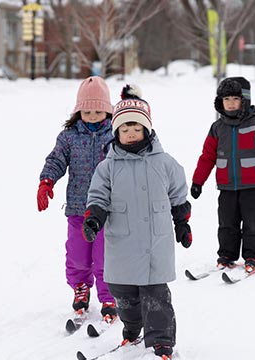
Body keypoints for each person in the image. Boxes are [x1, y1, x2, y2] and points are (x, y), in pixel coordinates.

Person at [82, 84, 191, 359]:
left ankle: (161, 344)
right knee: (125, 298)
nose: (130, 133)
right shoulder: (107, 167)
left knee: (156, 299)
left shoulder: (164, 163)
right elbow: (98, 197)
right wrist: (94, 219)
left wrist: (183, 223)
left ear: (147, 130)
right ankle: (131, 331)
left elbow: (179, 194)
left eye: (136, 128)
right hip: (122, 245)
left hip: (155, 245)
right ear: (116, 133)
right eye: (124, 129)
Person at [37, 76, 117, 322]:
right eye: (87, 111)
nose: (92, 116)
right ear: (78, 111)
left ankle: (109, 295)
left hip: (107, 211)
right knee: (78, 255)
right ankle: (80, 288)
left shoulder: (116, 134)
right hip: (77, 208)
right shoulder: (69, 136)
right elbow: (56, 160)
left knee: (105, 257)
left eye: (98, 111)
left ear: (107, 111)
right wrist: (46, 181)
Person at [191, 77, 255, 272]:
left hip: (251, 185)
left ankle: (253, 255)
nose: (230, 103)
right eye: (226, 99)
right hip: (226, 185)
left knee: (253, 222)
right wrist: (197, 181)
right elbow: (207, 156)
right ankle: (226, 254)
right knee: (227, 223)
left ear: (244, 100)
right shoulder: (217, 128)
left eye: (235, 99)